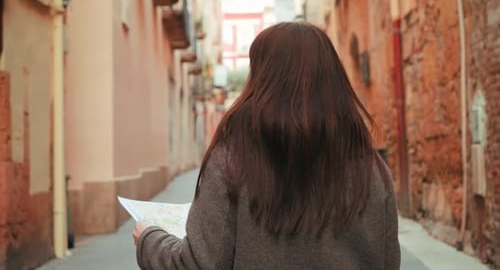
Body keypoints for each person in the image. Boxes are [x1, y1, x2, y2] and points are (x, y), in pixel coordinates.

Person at [133, 22, 400, 270]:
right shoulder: (374, 171)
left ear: (261, 79)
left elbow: (197, 263)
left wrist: (148, 238)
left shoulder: (231, 161)